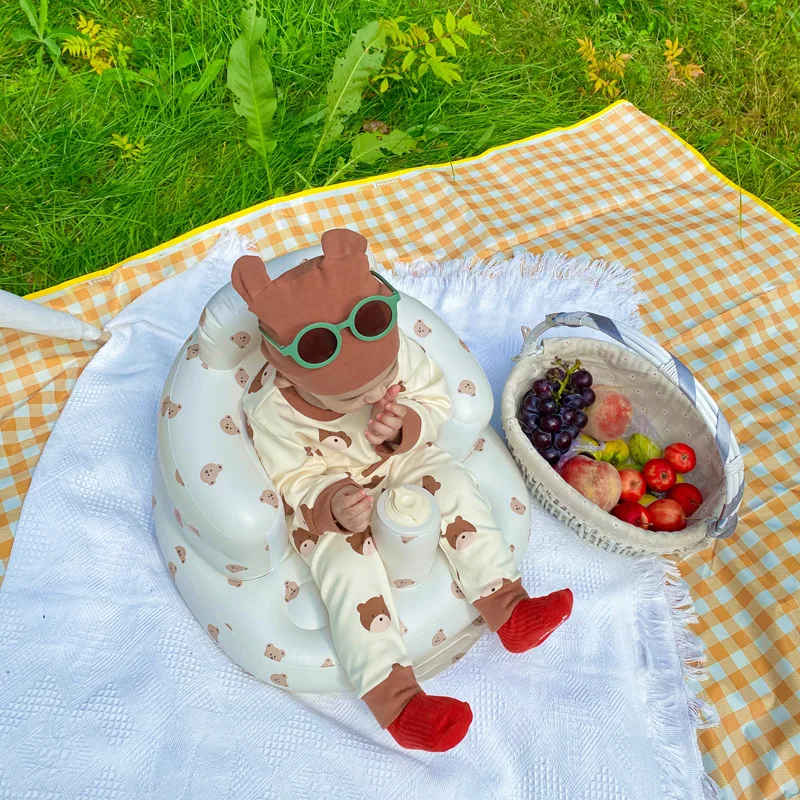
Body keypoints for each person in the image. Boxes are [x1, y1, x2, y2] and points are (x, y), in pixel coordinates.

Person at [232, 229, 573, 752]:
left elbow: (434, 400)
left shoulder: (391, 347)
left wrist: (403, 425)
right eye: (354, 397)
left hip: (401, 459)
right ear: (292, 378)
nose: (376, 394)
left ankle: (509, 607)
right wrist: (332, 505)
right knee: (349, 573)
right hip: (335, 495)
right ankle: (399, 704)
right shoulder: (273, 409)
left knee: (454, 484)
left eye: (385, 377)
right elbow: (291, 478)